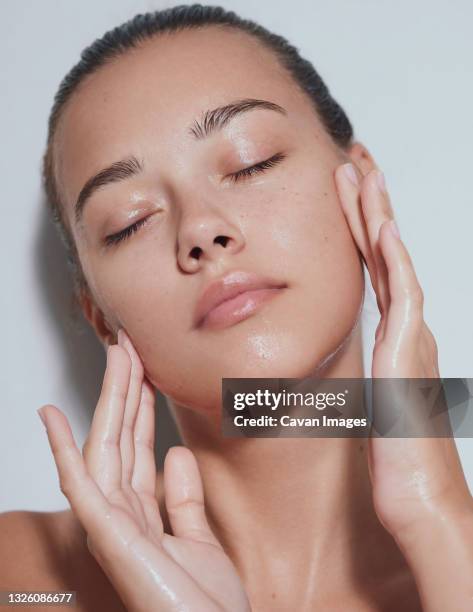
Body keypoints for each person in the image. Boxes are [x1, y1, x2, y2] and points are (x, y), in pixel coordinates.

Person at [2, 4, 472, 611]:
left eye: (252, 162)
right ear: (98, 314)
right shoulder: (27, 582)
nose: (201, 229)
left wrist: (438, 517)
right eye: (130, 222)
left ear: (362, 186)